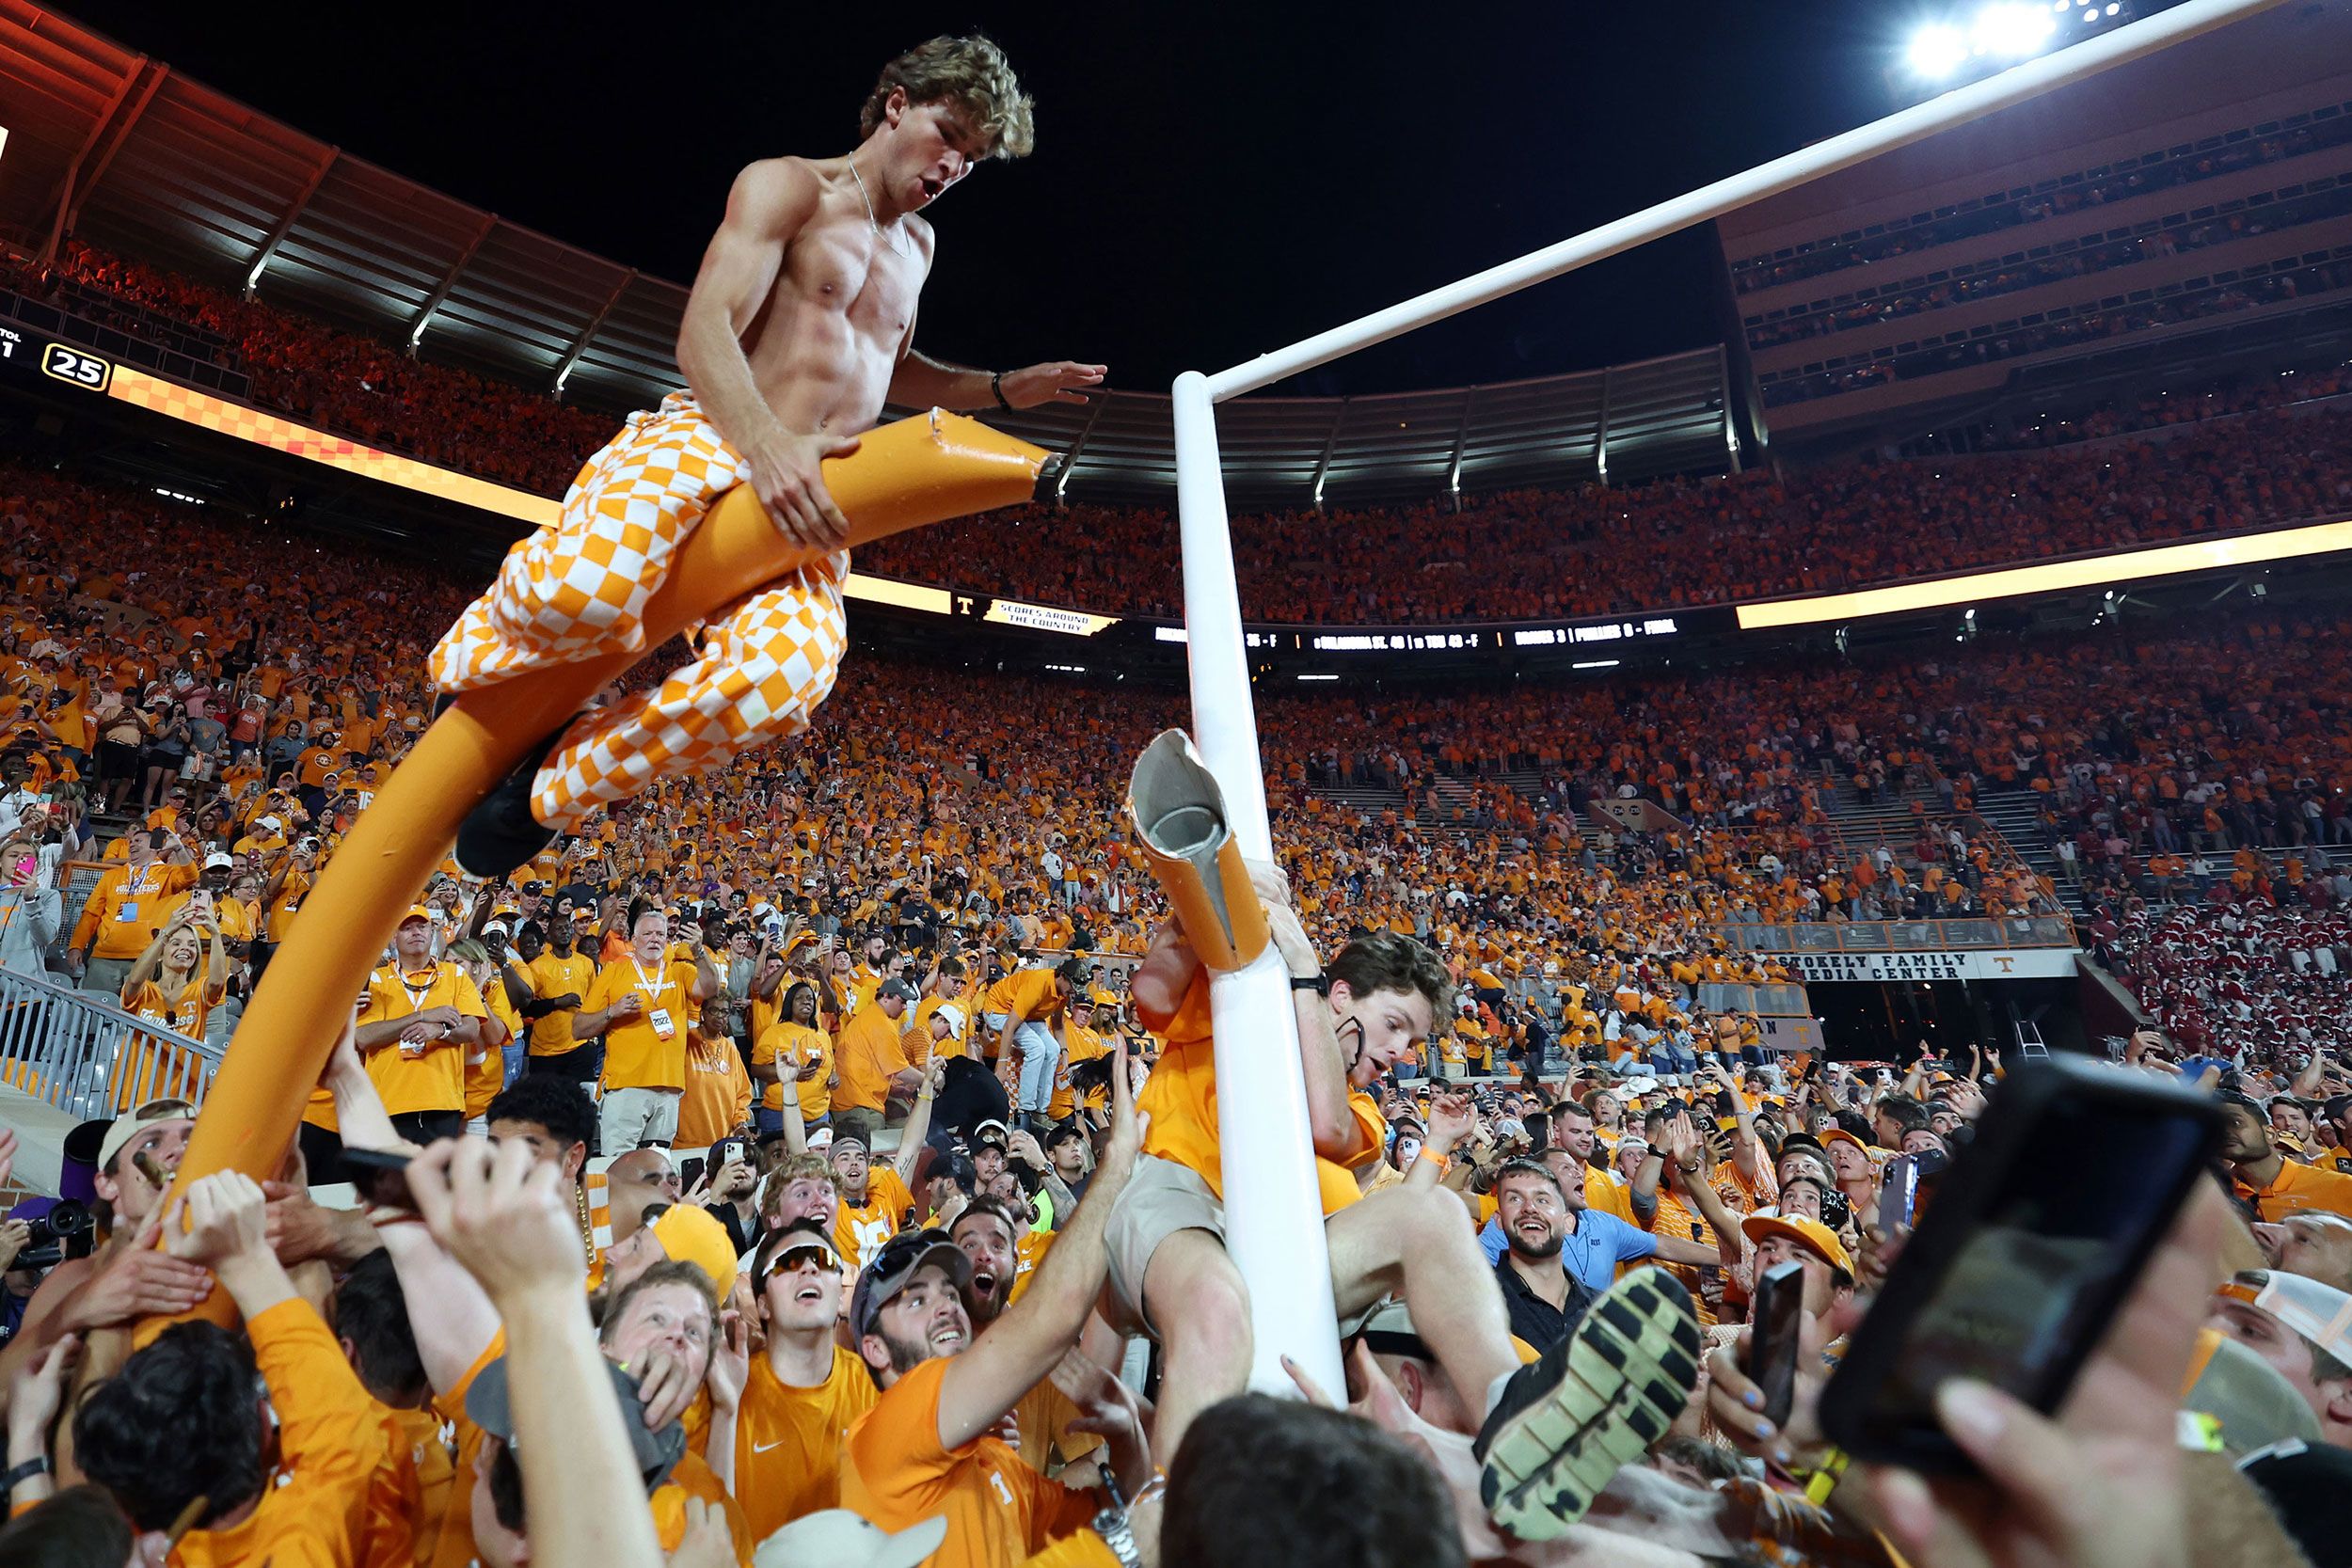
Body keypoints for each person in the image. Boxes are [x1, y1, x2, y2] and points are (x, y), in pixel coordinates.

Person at [437, 34, 1103, 878]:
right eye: (948, 134)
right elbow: (703, 328)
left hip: (811, 497)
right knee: (587, 594)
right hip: (716, 434)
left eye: (972, 158)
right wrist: (767, 444)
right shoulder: (788, 184)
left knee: (783, 683)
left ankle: (547, 791)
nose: (953, 167)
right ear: (897, 102)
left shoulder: (920, 249)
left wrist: (1008, 386)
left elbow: (890, 366)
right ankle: (475, 661)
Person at [837, 1039, 1147, 1564]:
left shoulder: (997, 1463)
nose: (944, 1304)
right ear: (876, 1350)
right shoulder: (888, 1429)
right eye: (913, 1300)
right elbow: (1050, 1318)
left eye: (945, 1289)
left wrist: (1128, 1445)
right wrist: (1116, 1166)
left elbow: (1109, 1513)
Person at [74, 1171, 386, 1562]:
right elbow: (335, 1425)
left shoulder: (110, 1549)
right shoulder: (302, 1542)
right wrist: (247, 1262)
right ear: (264, 1428)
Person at [732, 1220, 875, 1537]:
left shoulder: (876, 1388)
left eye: (824, 1260)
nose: (809, 1268)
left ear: (841, 1295)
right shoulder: (731, 1392)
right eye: (789, 1263)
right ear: (763, 1304)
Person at [353, 904, 490, 1144]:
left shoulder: (455, 975)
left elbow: (471, 1029)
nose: (416, 932)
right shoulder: (376, 979)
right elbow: (364, 1037)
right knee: (392, 1181)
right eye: (406, 928)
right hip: (388, 1101)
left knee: (434, 1180)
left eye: (421, 926)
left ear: (431, 933)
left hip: (442, 1100)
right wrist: (422, 1015)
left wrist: (440, 1029)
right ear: (394, 938)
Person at [2219, 1092, 2352, 1221]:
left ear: (2270, 1134)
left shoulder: (2341, 1186)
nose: (2224, 1131)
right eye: (2215, 1126)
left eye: (2235, 1122)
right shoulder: (2218, 1197)